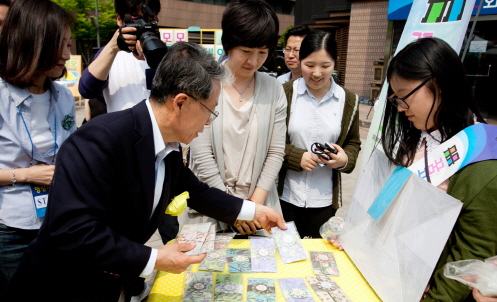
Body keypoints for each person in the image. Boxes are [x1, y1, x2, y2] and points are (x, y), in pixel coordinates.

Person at [5, 42, 287, 302]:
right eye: (210, 112)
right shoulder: (102, 139)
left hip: (109, 281)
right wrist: (154, 258)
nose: (209, 123)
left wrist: (252, 212)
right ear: (180, 102)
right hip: (61, 286)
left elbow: (195, 192)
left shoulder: (168, 145)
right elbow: (73, 230)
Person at [379, 37, 497, 301]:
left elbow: (469, 259)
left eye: (404, 97)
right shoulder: (419, 137)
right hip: (394, 277)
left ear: (439, 84)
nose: (399, 109)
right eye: (395, 99)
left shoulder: (484, 159)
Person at [178, 0, 287, 237]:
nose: (253, 61)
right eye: (246, 52)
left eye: (262, 53)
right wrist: (234, 210)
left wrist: (252, 208)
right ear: (228, 45)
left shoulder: (274, 88)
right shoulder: (205, 83)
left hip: (259, 210)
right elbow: (201, 152)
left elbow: (276, 151)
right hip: (210, 209)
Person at [0, 0, 75, 295]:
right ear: (34, 42)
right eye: (61, 46)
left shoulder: (64, 97)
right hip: (12, 229)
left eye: (69, 44)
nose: (68, 55)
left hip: (59, 222)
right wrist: (26, 176)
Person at [279, 30, 361, 238]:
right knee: (285, 258)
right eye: (309, 65)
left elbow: (353, 142)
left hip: (324, 199)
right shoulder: (284, 93)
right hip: (286, 194)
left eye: (325, 66)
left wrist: (344, 159)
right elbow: (270, 140)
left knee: (317, 262)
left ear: (336, 62)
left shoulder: (348, 100)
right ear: (300, 61)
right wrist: (296, 157)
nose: (316, 73)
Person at [78, 0, 161, 113]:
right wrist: (113, 46)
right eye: (136, 19)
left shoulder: (166, 53)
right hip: (124, 129)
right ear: (119, 19)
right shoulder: (110, 54)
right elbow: (87, 90)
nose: (143, 25)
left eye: (150, 20)